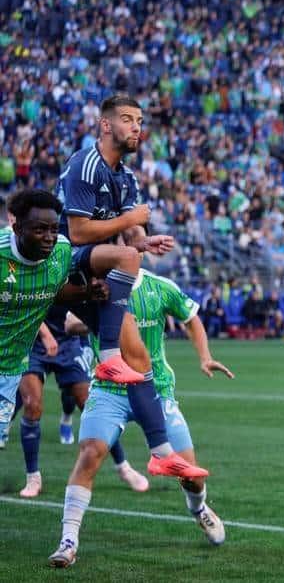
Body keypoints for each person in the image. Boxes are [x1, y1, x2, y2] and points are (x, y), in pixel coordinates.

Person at [56, 93, 205, 479]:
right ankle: (106, 358)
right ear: (105, 125)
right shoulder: (85, 165)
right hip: (62, 262)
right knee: (126, 261)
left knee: (138, 359)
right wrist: (131, 231)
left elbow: (127, 230)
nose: (136, 127)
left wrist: (141, 241)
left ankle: (159, 453)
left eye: (139, 120)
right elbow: (78, 231)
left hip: (98, 270)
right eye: (127, 119)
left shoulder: (126, 175)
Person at [49, 269, 235, 568]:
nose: (126, 243)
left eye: (133, 236)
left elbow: (191, 319)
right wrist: (99, 321)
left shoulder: (161, 287)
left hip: (156, 388)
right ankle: (68, 541)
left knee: (192, 475)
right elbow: (70, 323)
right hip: (110, 389)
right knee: (89, 455)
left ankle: (199, 509)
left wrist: (204, 356)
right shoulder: (99, 287)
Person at [0, 190, 107, 472]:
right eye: (39, 229)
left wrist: (86, 292)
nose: (49, 236)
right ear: (17, 228)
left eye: (52, 228)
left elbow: (56, 292)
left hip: (11, 366)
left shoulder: (60, 250)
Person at [16, 308, 149, 498]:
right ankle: (33, 477)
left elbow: (82, 315)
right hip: (31, 341)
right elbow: (26, 307)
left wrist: (97, 323)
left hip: (68, 343)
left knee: (92, 405)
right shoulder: (34, 278)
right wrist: (45, 334)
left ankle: (124, 467)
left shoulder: (76, 279)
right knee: (32, 404)